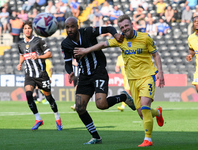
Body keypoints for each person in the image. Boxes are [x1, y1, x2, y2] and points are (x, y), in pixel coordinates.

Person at [74, 14, 165, 147]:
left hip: (147, 76)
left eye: (126, 25)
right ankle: (157, 113)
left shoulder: (145, 37)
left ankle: (148, 139)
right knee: (141, 112)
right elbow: (103, 45)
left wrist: (160, 73)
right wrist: (86, 50)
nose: (124, 29)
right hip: (132, 80)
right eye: (121, 27)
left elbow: (155, 54)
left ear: (132, 25)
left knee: (145, 106)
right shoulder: (120, 40)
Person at [61, 17, 136, 144]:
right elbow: (67, 63)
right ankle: (96, 137)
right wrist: (71, 72)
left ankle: (123, 97)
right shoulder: (65, 44)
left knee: (101, 105)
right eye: (67, 27)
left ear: (77, 26)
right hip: (84, 75)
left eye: (72, 26)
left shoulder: (88, 32)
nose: (70, 29)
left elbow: (107, 28)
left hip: (98, 71)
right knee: (79, 108)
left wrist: (115, 33)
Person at [16, 21, 62, 131]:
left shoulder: (39, 41)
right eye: (25, 28)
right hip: (29, 75)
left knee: (49, 97)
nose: (27, 30)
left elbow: (49, 54)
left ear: (32, 30)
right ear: (23, 30)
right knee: (28, 95)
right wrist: (20, 63)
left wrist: (38, 57)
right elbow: (22, 55)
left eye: (29, 28)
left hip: (41, 75)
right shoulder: (20, 44)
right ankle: (38, 119)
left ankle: (57, 117)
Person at [186, 16, 198, 93]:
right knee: (197, 86)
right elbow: (192, 49)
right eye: (195, 21)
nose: (197, 23)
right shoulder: (191, 37)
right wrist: (191, 55)